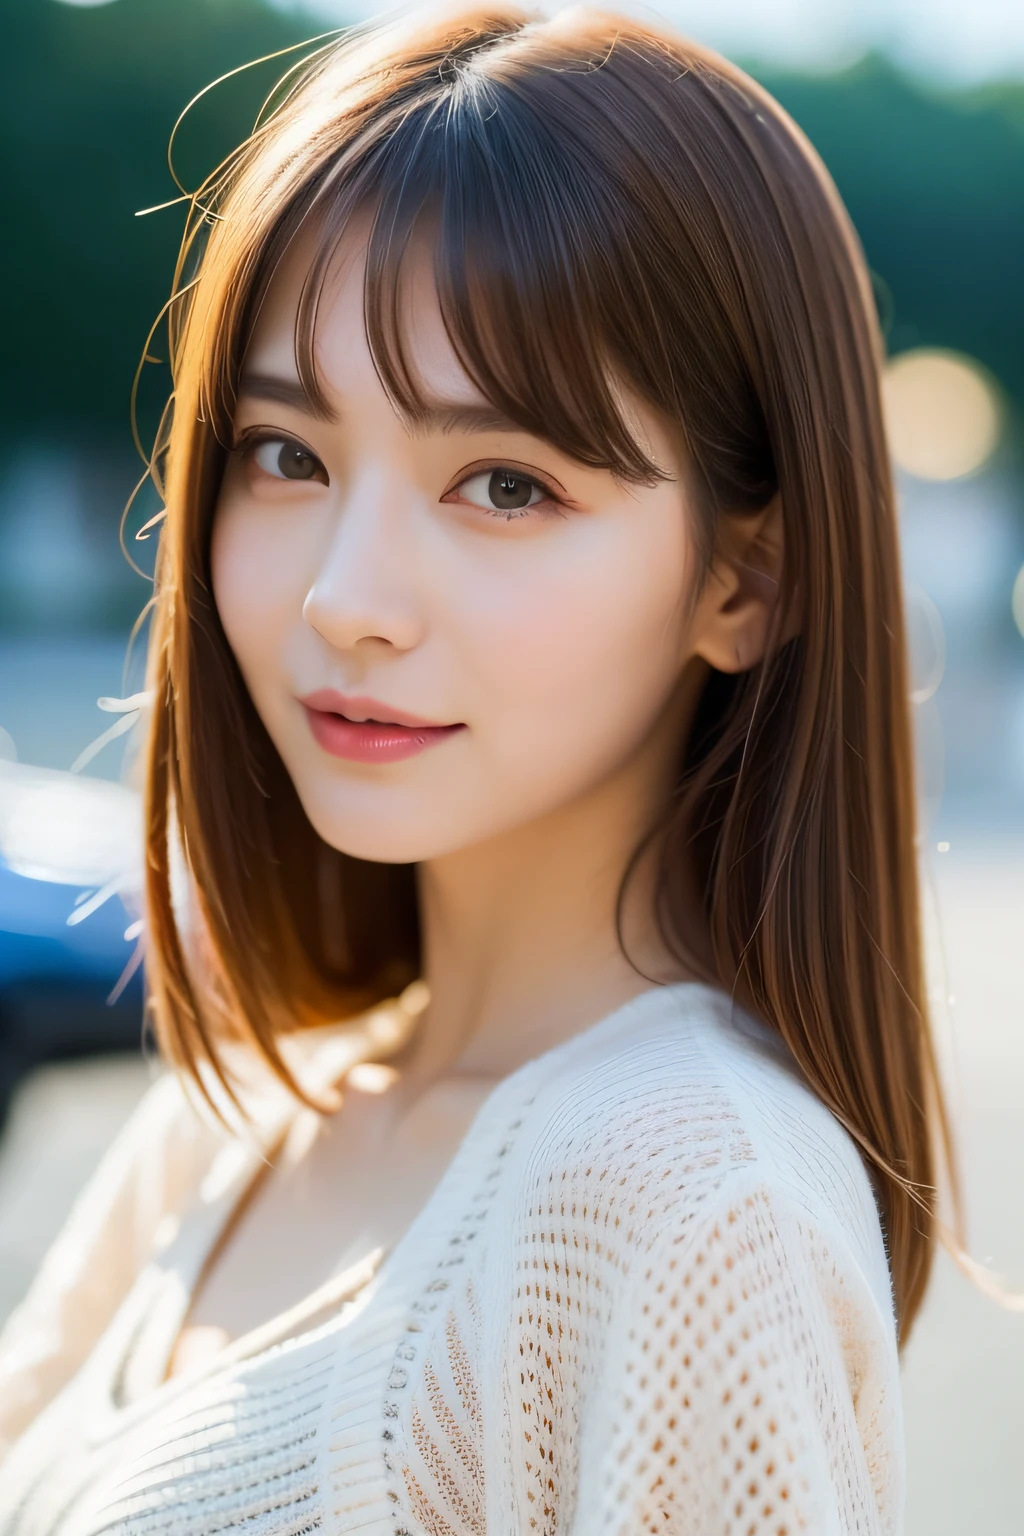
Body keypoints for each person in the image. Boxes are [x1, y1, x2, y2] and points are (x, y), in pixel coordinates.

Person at [0, 4, 962, 1529]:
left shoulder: (689, 1200)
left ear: (746, 582)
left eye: (505, 483)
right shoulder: (241, 1113)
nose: (345, 599)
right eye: (286, 455)